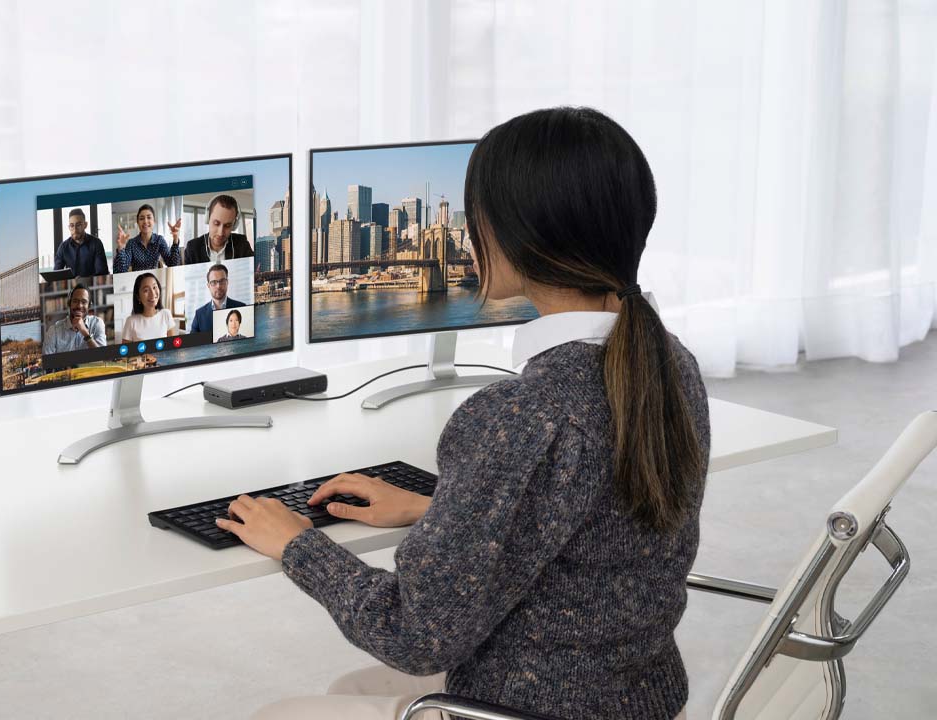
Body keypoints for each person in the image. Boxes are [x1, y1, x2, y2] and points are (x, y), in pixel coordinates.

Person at [229, 107, 707, 720]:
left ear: (514, 238)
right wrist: (443, 510)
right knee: (352, 693)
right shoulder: (670, 364)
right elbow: (601, 534)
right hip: (641, 705)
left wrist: (297, 544)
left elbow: (414, 635)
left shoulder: (518, 417)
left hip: (513, 710)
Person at [182, 194, 254, 264]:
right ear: (208, 219)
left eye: (228, 225)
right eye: (216, 223)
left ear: (234, 225)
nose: (220, 233)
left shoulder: (242, 243)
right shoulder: (192, 248)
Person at [113, 203, 182, 273]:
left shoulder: (159, 240)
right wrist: (121, 248)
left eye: (149, 217)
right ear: (137, 222)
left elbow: (173, 264)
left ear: (154, 221)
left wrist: (175, 239)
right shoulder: (131, 243)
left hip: (153, 279)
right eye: (141, 218)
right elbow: (120, 270)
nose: (145, 221)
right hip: (138, 280)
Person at [42, 285, 107, 353]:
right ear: (69, 303)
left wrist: (85, 333)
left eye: (84, 302)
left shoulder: (97, 323)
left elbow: (103, 355)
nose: (79, 306)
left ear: (89, 306)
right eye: (75, 301)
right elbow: (47, 361)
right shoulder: (53, 331)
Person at [120, 272, 178, 342]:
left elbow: (173, 346)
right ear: (138, 297)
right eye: (146, 290)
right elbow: (126, 351)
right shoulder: (131, 321)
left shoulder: (166, 314)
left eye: (154, 287)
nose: (152, 294)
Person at [189, 263, 245, 334]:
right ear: (208, 285)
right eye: (213, 282)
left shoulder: (242, 307)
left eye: (222, 281)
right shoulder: (199, 314)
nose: (218, 286)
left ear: (227, 282)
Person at [53, 208, 109, 277]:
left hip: (92, 285)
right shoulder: (63, 247)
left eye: (78, 225)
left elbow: (102, 273)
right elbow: (56, 274)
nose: (75, 229)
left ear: (85, 225)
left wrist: (84, 279)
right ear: (69, 227)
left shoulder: (96, 243)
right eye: (72, 225)